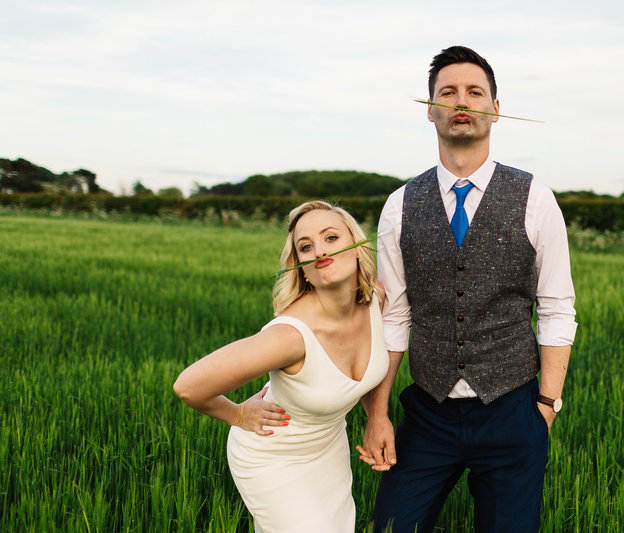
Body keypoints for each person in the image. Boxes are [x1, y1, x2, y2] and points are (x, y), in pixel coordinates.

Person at [357, 46, 578, 532]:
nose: (462, 101)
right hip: (427, 414)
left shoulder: (536, 199)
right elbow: (394, 317)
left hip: (514, 410)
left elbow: (557, 308)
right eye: (448, 93)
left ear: (495, 111)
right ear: (430, 110)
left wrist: (545, 406)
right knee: (393, 527)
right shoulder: (398, 206)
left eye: (475, 92)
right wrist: (378, 414)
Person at [173, 200, 389, 533]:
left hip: (328, 447)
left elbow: (361, 381)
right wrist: (240, 414)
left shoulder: (377, 299)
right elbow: (188, 386)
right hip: (272, 457)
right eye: (306, 247)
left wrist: (376, 417)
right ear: (302, 269)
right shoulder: (289, 336)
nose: (319, 250)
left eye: (331, 238)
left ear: (357, 246)